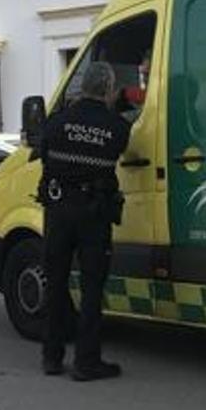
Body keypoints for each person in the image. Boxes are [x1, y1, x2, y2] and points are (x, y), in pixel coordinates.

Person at [37, 61, 132, 381]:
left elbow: (43, 152)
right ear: (108, 89)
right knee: (91, 288)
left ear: (81, 87)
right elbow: (121, 148)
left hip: (58, 210)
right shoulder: (118, 126)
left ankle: (51, 357)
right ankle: (86, 362)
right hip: (93, 213)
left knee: (56, 283)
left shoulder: (56, 122)